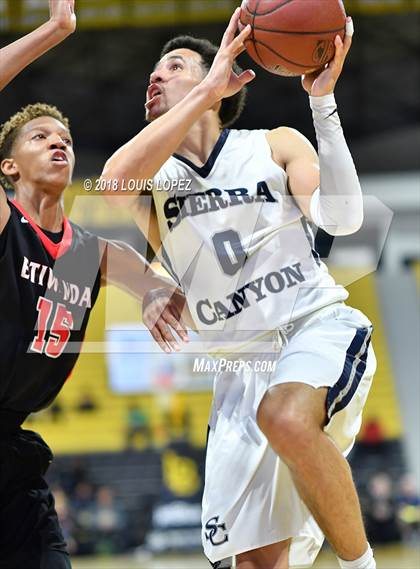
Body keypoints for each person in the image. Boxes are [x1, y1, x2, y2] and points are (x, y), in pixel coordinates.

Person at [102, 9, 377, 569]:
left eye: (173, 66)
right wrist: (153, 288)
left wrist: (322, 103)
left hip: (312, 327)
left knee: (285, 416)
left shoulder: (274, 143)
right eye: (152, 74)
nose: (154, 78)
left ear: (224, 78)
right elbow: (111, 183)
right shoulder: (151, 181)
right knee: (253, 564)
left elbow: (344, 219)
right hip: (237, 371)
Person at [0, 3, 187, 568]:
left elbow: (179, 287)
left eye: (65, 137)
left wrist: (160, 292)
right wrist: (54, 30)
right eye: (39, 137)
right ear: (7, 167)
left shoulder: (92, 252)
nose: (59, 143)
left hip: (13, 453)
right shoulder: (6, 221)